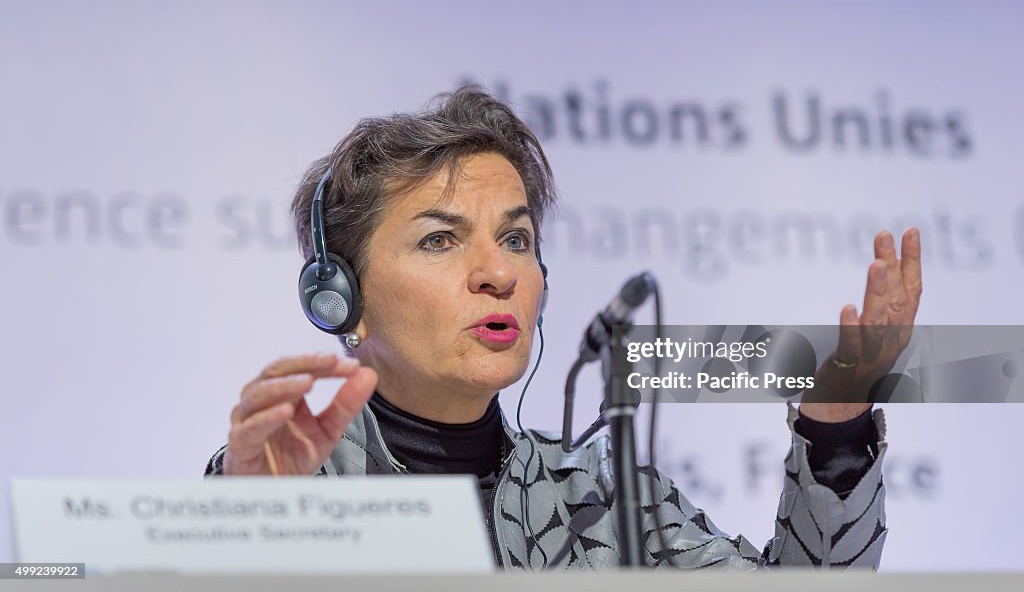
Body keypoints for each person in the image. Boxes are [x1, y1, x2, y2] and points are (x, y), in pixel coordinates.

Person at [205, 86, 922, 570]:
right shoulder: (285, 481)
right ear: (344, 298)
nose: (499, 273)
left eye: (516, 239)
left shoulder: (601, 500)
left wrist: (835, 428)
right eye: (440, 240)